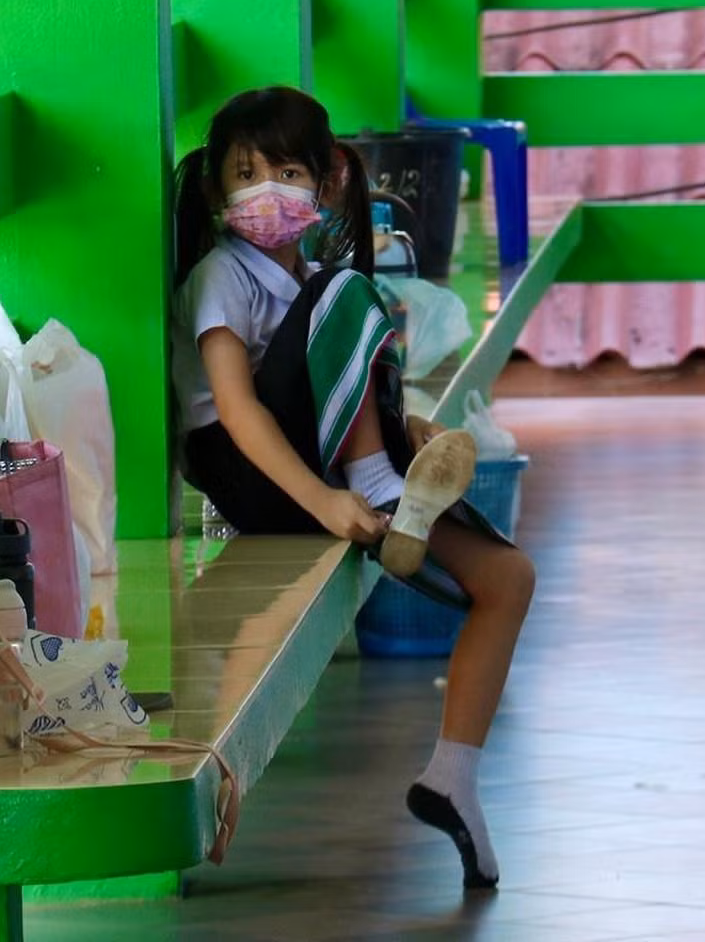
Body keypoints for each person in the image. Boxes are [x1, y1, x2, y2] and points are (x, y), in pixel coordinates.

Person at [170, 86, 535, 889]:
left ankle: (454, 779)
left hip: (328, 465)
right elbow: (235, 411)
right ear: (214, 190)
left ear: (328, 181)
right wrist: (333, 500)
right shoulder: (220, 277)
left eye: (287, 170)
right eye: (244, 173)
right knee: (346, 291)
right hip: (266, 477)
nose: (266, 190)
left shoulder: (314, 278)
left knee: (508, 578)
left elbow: (327, 382)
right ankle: (384, 480)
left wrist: (405, 426)